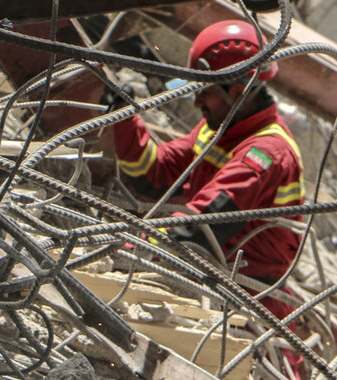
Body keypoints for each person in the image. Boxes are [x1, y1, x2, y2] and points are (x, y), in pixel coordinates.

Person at [109, 19, 303, 322]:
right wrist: (123, 117)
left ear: (238, 91)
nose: (197, 101)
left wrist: (132, 248)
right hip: (212, 281)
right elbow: (153, 174)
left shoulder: (266, 154)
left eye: (204, 90)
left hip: (246, 308)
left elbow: (202, 227)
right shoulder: (220, 128)